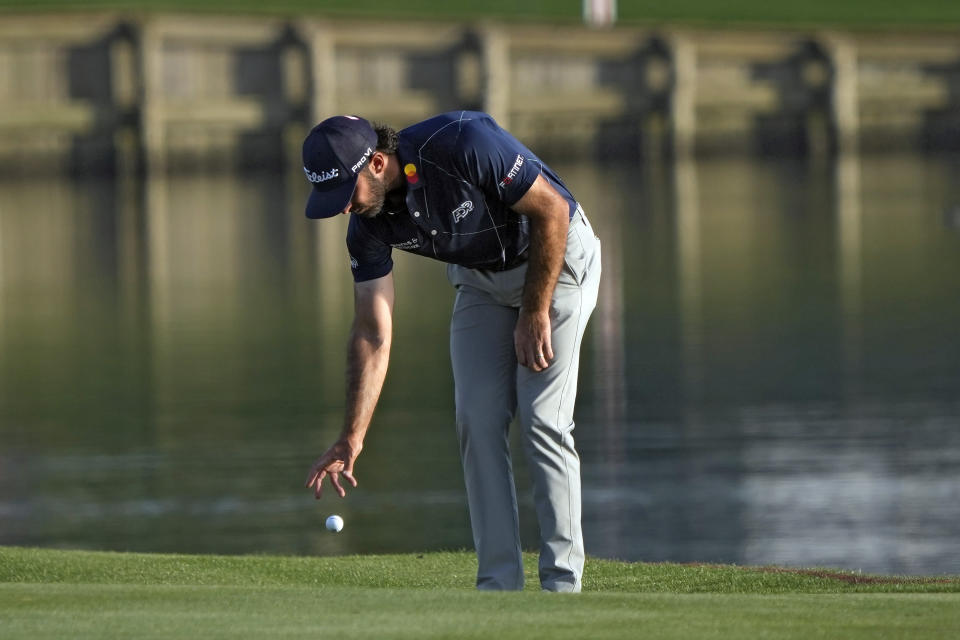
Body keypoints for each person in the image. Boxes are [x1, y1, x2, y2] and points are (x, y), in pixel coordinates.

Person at [302, 111, 601, 592]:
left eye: (345, 193)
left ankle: (562, 589)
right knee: (476, 420)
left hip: (556, 257)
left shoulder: (464, 143)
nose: (341, 209)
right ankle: (498, 587)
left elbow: (552, 211)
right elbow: (372, 331)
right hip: (480, 283)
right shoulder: (368, 226)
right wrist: (351, 436)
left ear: (377, 163)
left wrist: (533, 311)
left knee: (544, 417)